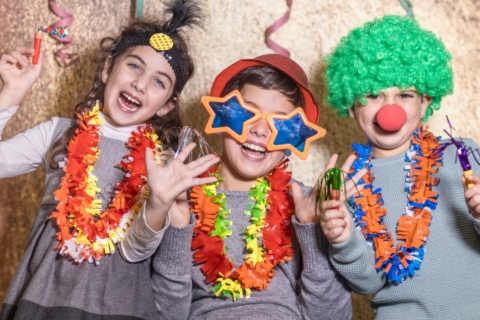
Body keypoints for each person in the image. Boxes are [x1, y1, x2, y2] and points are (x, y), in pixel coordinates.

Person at [0, 1, 219, 319]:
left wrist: (158, 203)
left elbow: (135, 251)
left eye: (158, 82)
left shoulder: (166, 164)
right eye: (134, 66)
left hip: (122, 308)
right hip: (43, 300)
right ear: (107, 69)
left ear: (166, 106)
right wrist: (10, 95)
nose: (140, 83)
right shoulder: (59, 133)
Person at [121, 53, 357, 319]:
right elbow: (167, 314)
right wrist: (177, 226)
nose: (259, 130)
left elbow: (330, 317)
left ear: (294, 139)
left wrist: (313, 232)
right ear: (221, 118)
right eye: (245, 113)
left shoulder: (306, 202)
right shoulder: (180, 196)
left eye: (280, 123)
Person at [320, 15, 480, 319]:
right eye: (372, 95)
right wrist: (342, 240)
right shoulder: (346, 184)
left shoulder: (463, 155)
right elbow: (367, 283)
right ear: (352, 107)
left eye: (404, 95)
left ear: (425, 102)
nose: (388, 110)